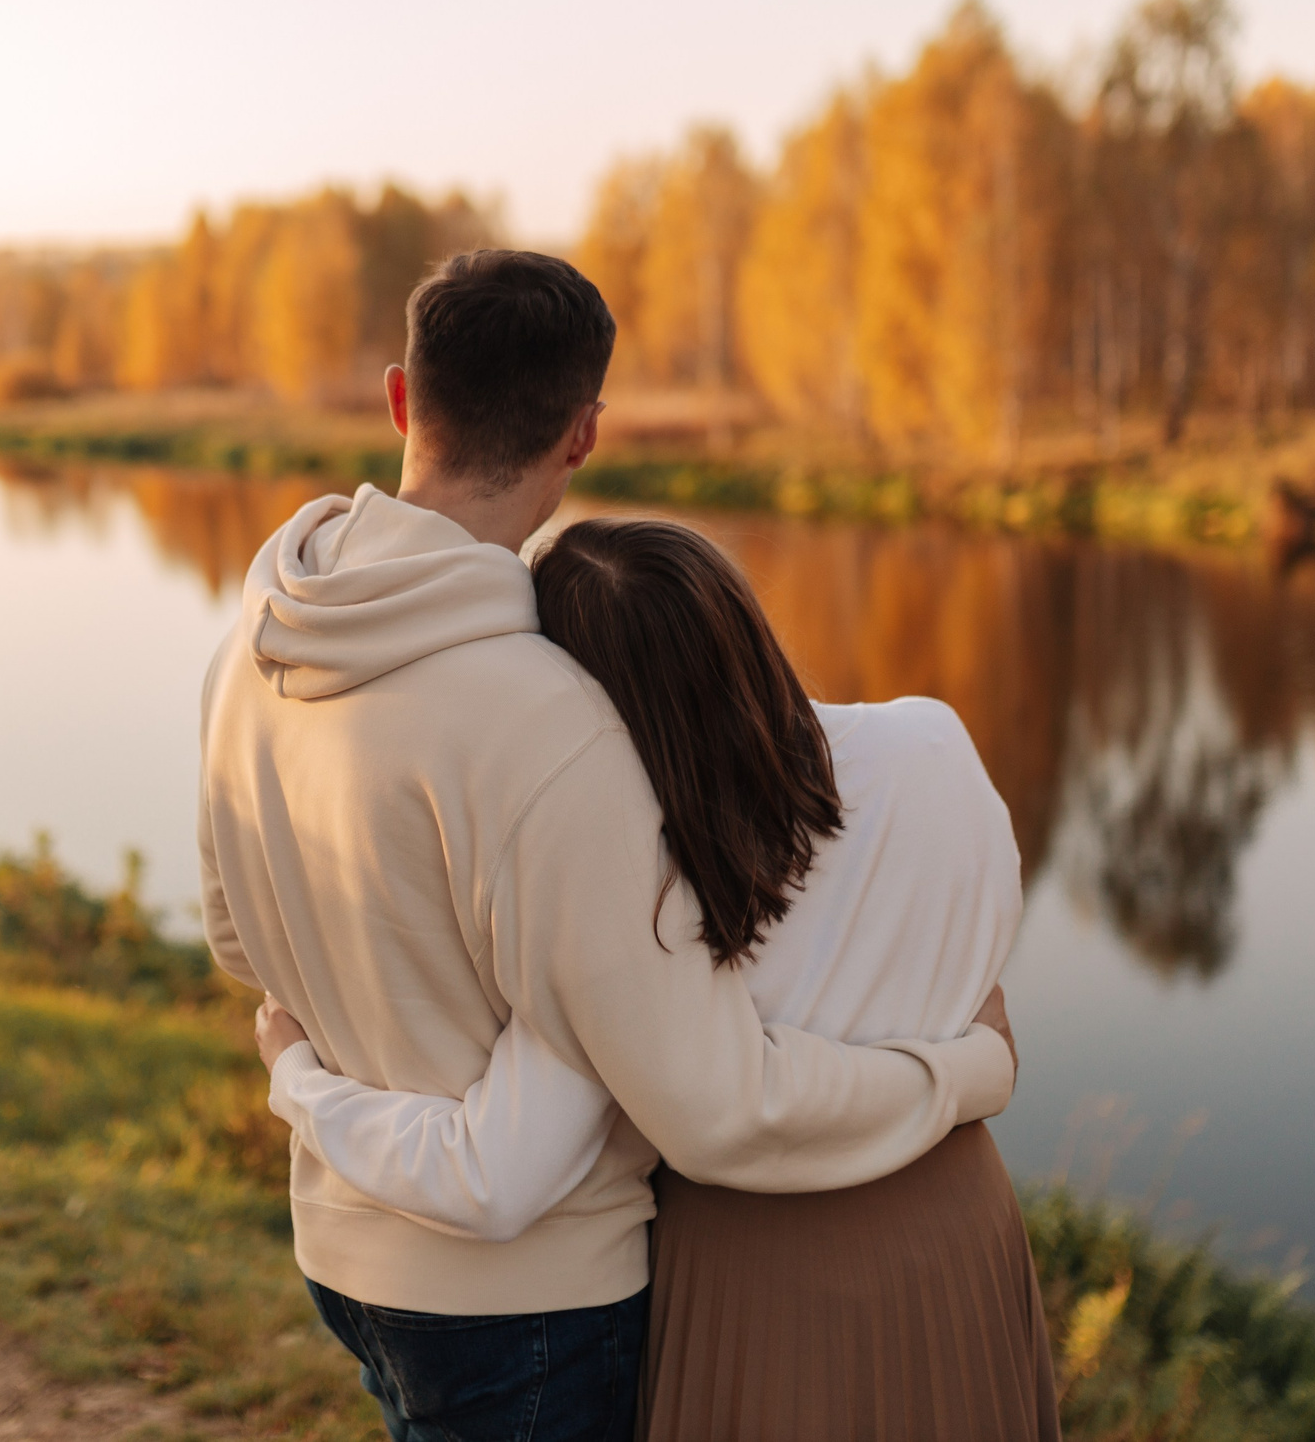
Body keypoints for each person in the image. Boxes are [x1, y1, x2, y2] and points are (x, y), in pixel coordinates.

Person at [197, 249, 1018, 1442]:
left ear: (398, 399)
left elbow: (238, 944)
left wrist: (331, 1065)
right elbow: (718, 1111)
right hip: (530, 1302)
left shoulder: (253, 644)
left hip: (343, 1255)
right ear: (583, 434)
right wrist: (962, 1071)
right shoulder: (552, 723)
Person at [263, 518, 1058, 1441]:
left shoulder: (638, 898)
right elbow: (985, 973)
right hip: (962, 1224)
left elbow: (492, 1170)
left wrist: (300, 1081)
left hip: (763, 1283)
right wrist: (969, 1066)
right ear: (744, 619)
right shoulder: (937, 743)